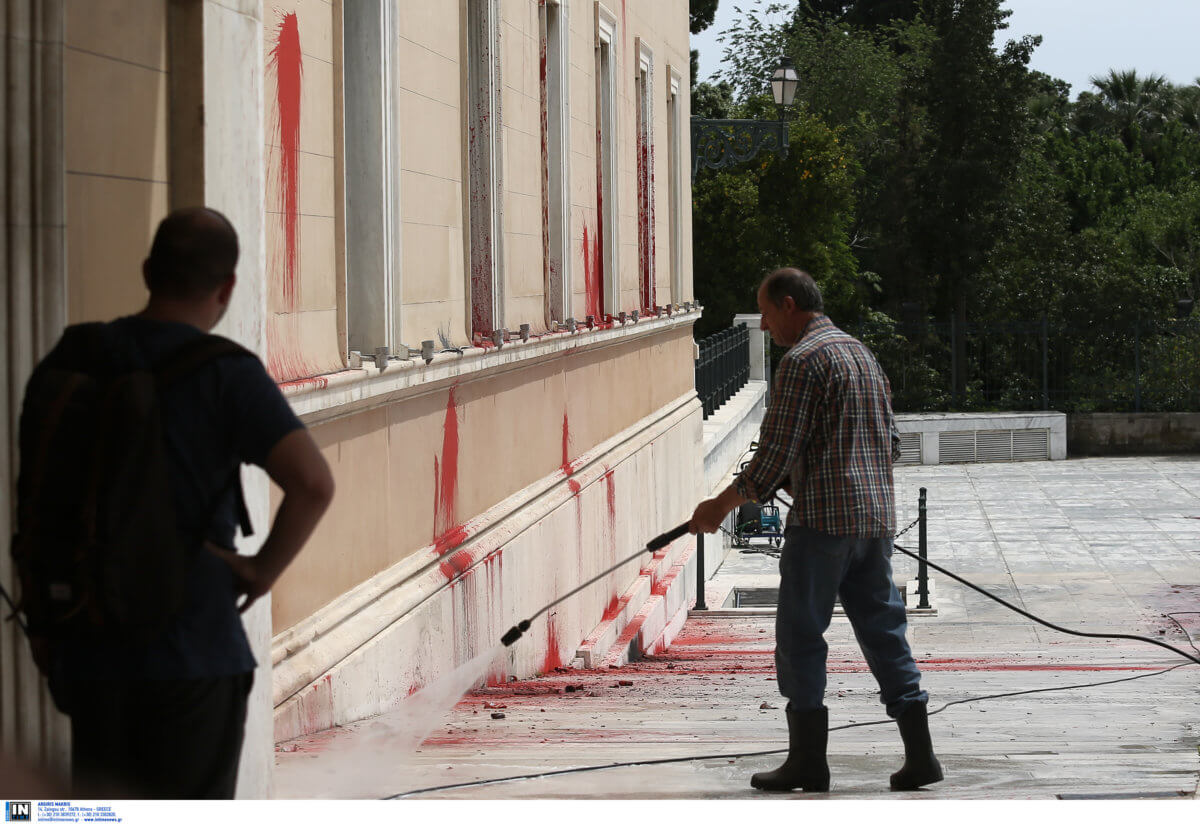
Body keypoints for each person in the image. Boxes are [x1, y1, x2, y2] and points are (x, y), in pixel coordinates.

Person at [24, 207, 335, 798]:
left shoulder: (73, 360)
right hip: (193, 646)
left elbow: (39, 495)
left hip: (88, 642)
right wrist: (261, 571)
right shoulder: (229, 377)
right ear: (228, 287)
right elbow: (313, 483)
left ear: (147, 270)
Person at [689, 267, 942, 793]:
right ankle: (921, 757)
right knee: (884, 630)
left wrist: (717, 506)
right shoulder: (860, 353)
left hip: (823, 524)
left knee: (801, 636)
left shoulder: (803, 360)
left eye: (764, 312)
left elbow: (775, 455)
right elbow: (889, 443)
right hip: (873, 520)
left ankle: (808, 762)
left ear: (787, 304)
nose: (762, 324)